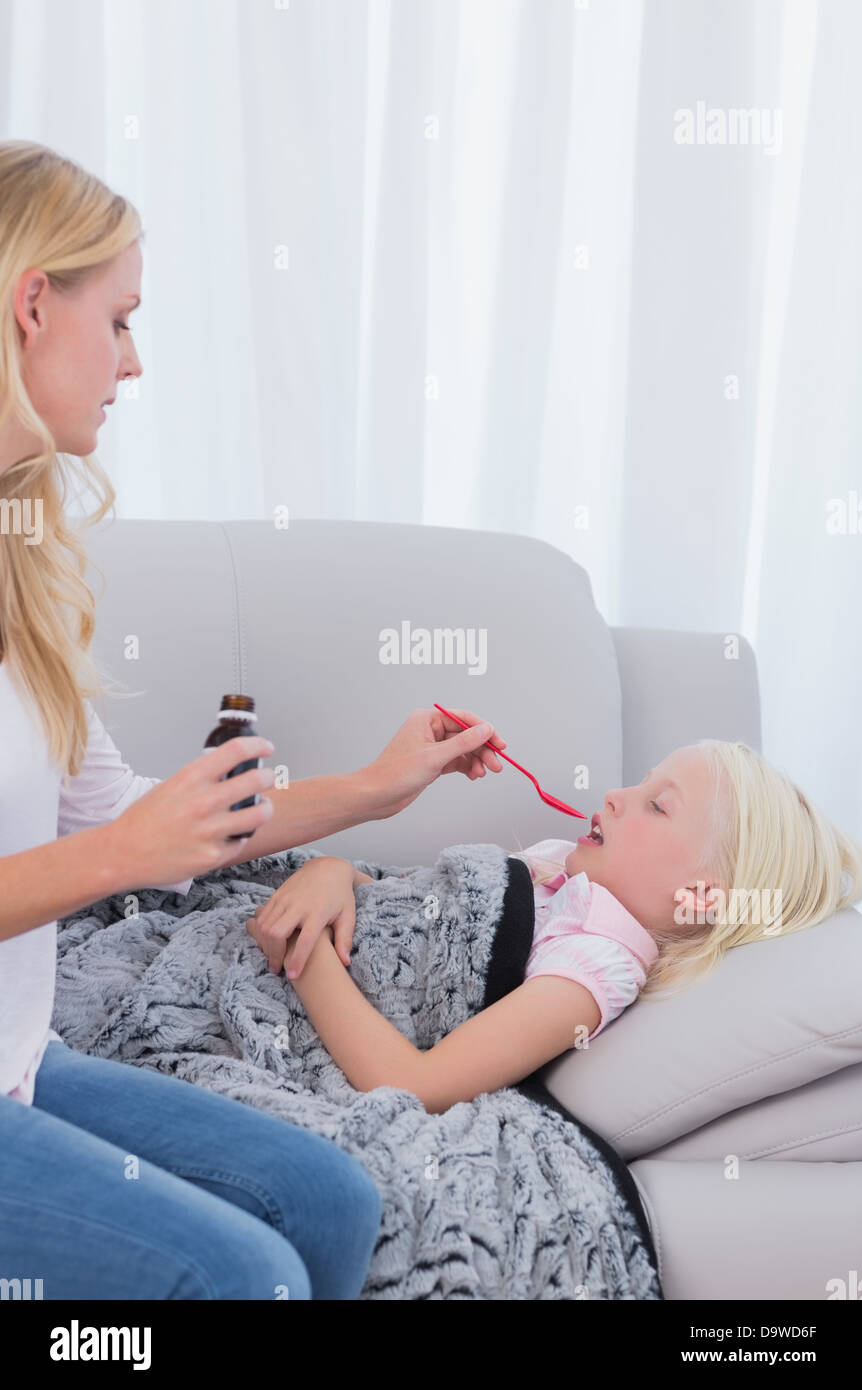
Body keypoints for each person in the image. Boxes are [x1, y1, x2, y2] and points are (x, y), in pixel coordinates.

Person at [0, 139, 508, 1301]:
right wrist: (117, 857)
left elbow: (121, 815)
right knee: (241, 1278)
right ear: (34, 304)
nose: (134, 362)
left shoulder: (25, 565)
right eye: (119, 319)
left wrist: (373, 790)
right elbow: (118, 846)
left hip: (17, 1063)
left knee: (330, 1199)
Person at [242, 740, 862, 1115]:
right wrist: (331, 874)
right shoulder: (556, 872)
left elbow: (416, 1085)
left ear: (701, 897)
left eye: (657, 803)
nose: (618, 795)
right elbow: (403, 915)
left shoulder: (599, 961)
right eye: (641, 782)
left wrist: (306, 951)